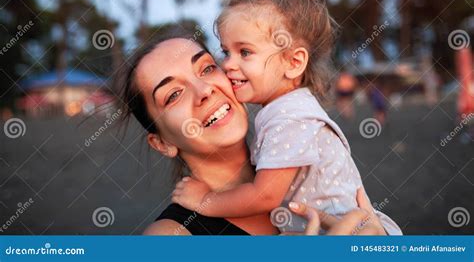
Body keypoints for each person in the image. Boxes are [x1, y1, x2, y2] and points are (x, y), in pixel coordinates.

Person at [171, 0, 402, 235]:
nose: (228, 64)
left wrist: (205, 202)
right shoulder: (286, 109)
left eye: (245, 52)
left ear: (293, 63)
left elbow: (264, 196)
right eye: (226, 51)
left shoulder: (290, 117)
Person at [118, 32, 388, 235]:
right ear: (162, 143)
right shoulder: (170, 237)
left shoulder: (312, 180)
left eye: (207, 68)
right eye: (173, 94)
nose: (204, 90)